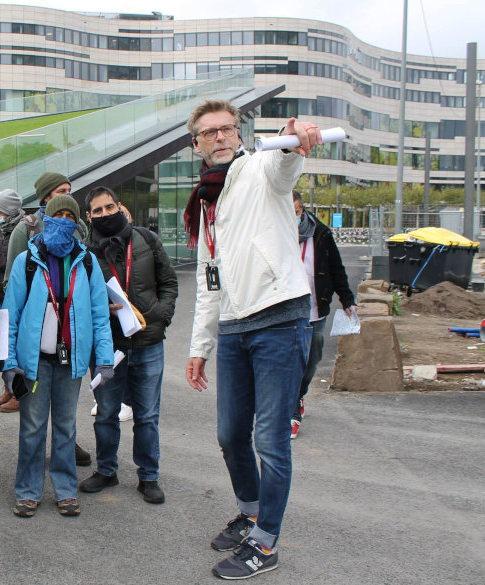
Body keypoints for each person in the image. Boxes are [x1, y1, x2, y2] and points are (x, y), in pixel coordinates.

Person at [183, 99, 319, 580]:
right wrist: (200, 347)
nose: (219, 137)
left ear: (239, 134)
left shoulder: (261, 167)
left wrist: (293, 133)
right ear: (195, 143)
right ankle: (251, 510)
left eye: (226, 129)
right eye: (208, 133)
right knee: (230, 434)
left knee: (271, 439)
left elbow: (286, 164)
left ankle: (266, 543)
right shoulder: (206, 202)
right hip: (235, 327)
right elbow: (208, 280)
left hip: (280, 319)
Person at [2, 194, 115, 518]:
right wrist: (9, 364)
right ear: (46, 218)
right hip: (34, 361)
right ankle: (27, 491)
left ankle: (66, 490)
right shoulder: (27, 260)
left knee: (66, 426)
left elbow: (99, 316)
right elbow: (9, 315)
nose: (64, 220)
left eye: (70, 215)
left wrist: (104, 359)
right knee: (32, 426)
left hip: (70, 362)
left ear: (77, 222)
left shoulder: (88, 262)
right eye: (58, 215)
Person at [80, 186, 178, 504]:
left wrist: (161, 316)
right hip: (107, 346)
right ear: (89, 216)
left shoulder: (146, 240)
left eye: (110, 207)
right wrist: (98, 309)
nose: (106, 214)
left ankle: (148, 477)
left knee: (147, 415)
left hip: (148, 342)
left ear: (119, 206)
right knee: (107, 412)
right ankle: (106, 471)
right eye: (98, 210)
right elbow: (77, 300)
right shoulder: (84, 255)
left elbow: (168, 282)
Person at [2, 171, 92, 466]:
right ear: (44, 198)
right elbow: (12, 284)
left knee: (65, 415)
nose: (64, 197)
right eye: (57, 193)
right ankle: (29, 481)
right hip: (35, 340)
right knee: (34, 420)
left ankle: (66, 453)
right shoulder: (25, 230)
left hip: (67, 340)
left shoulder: (78, 228)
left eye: (68, 190)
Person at [291, 191, 356, 439]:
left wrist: (347, 299)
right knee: (293, 360)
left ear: (303, 210)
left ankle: (300, 392)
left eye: (296, 212)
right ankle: (292, 407)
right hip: (287, 311)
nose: (293, 218)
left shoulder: (321, 233)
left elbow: (336, 267)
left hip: (316, 308)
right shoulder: (275, 233)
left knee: (312, 359)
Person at [0, 188, 25, 412]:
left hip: (12, 297)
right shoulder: (6, 230)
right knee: (4, 347)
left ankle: (18, 393)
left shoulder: (19, 232)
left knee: (14, 347)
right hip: (2, 297)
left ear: (8, 212)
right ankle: (8, 389)